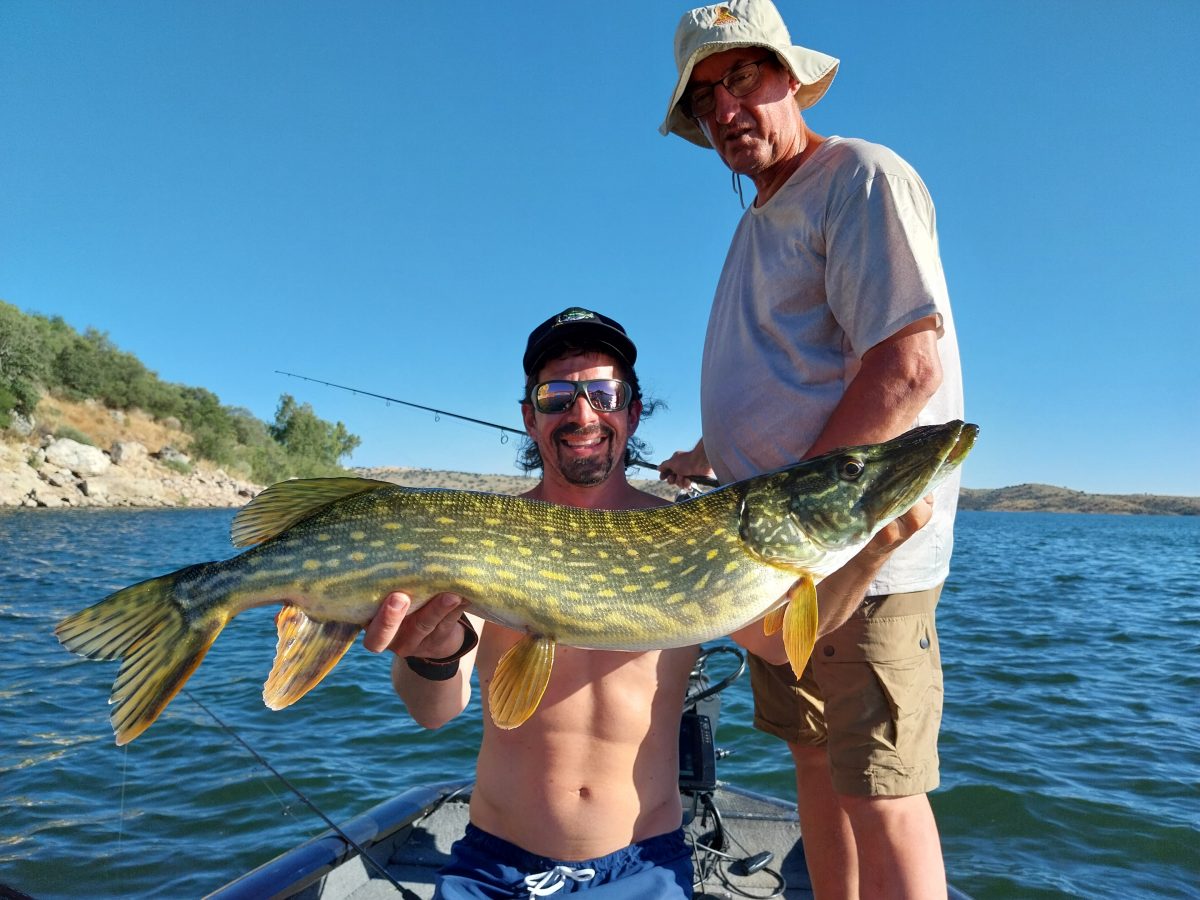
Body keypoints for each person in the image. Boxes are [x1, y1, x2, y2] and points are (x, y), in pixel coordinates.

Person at [362, 305, 934, 898]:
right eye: (557, 396)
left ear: (632, 412)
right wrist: (432, 655)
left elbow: (776, 644)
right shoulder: (485, 533)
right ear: (530, 418)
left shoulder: (692, 533)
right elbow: (434, 710)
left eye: (604, 394)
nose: (582, 413)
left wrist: (871, 550)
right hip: (493, 868)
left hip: (644, 868)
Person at [657, 2, 965, 898]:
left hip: (856, 551)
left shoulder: (858, 177)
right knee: (816, 771)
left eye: (741, 78)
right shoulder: (758, 220)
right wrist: (708, 451)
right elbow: (787, 375)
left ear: (791, 76)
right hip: (770, 560)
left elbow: (905, 366)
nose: (724, 110)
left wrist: (801, 516)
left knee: (881, 794)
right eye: (704, 97)